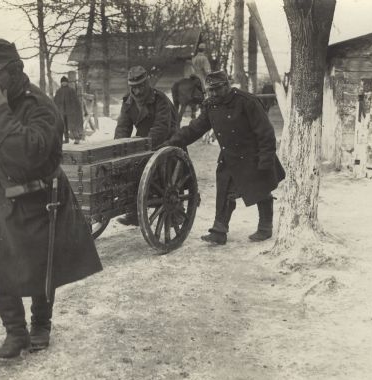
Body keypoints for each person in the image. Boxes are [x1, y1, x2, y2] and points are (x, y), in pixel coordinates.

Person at [0, 39, 103, 360]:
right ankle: (15, 332)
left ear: (15, 70)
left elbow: (30, 153)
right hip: (4, 197)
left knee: (41, 268)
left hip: (40, 200)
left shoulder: (40, 105)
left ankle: (41, 324)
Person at [160, 70, 286, 245]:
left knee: (261, 190)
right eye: (210, 90)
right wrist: (172, 142)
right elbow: (195, 129)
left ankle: (265, 227)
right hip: (229, 156)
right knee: (225, 192)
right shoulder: (211, 105)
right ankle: (219, 231)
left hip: (253, 154)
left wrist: (265, 159)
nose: (213, 94)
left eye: (217, 89)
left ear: (227, 85)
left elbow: (265, 132)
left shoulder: (247, 101)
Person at [114, 65, 178, 226]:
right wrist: (118, 148)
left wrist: (145, 146)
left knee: (167, 175)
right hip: (144, 140)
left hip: (166, 140)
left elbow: (162, 127)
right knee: (129, 166)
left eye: (141, 86)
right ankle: (134, 211)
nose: (137, 92)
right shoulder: (128, 102)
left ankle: (176, 212)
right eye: (133, 88)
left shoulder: (160, 99)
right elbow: (123, 126)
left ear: (147, 83)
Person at [53, 76, 84, 144]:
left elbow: (75, 101)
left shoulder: (71, 90)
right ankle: (66, 139)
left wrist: (74, 109)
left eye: (65, 82)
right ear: (61, 83)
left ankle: (77, 138)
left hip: (70, 112)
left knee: (72, 125)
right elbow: (55, 101)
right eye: (62, 82)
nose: (64, 83)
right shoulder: (58, 91)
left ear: (67, 82)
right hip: (61, 112)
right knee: (63, 126)